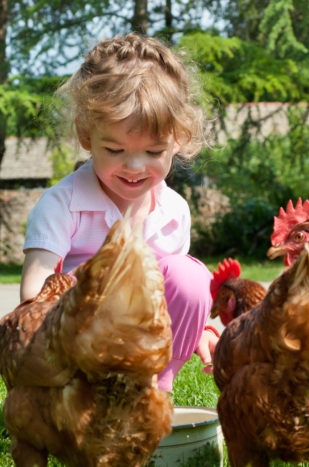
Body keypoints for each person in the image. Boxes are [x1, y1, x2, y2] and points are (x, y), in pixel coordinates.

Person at [20, 32, 218, 392]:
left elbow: (176, 294)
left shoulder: (174, 211)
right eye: (114, 149)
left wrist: (201, 327)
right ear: (85, 134)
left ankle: (156, 392)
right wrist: (101, 275)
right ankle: (88, 395)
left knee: (190, 277)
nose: (134, 166)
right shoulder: (61, 204)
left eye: (154, 152)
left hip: (141, 349)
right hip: (74, 351)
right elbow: (34, 295)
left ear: (179, 141)